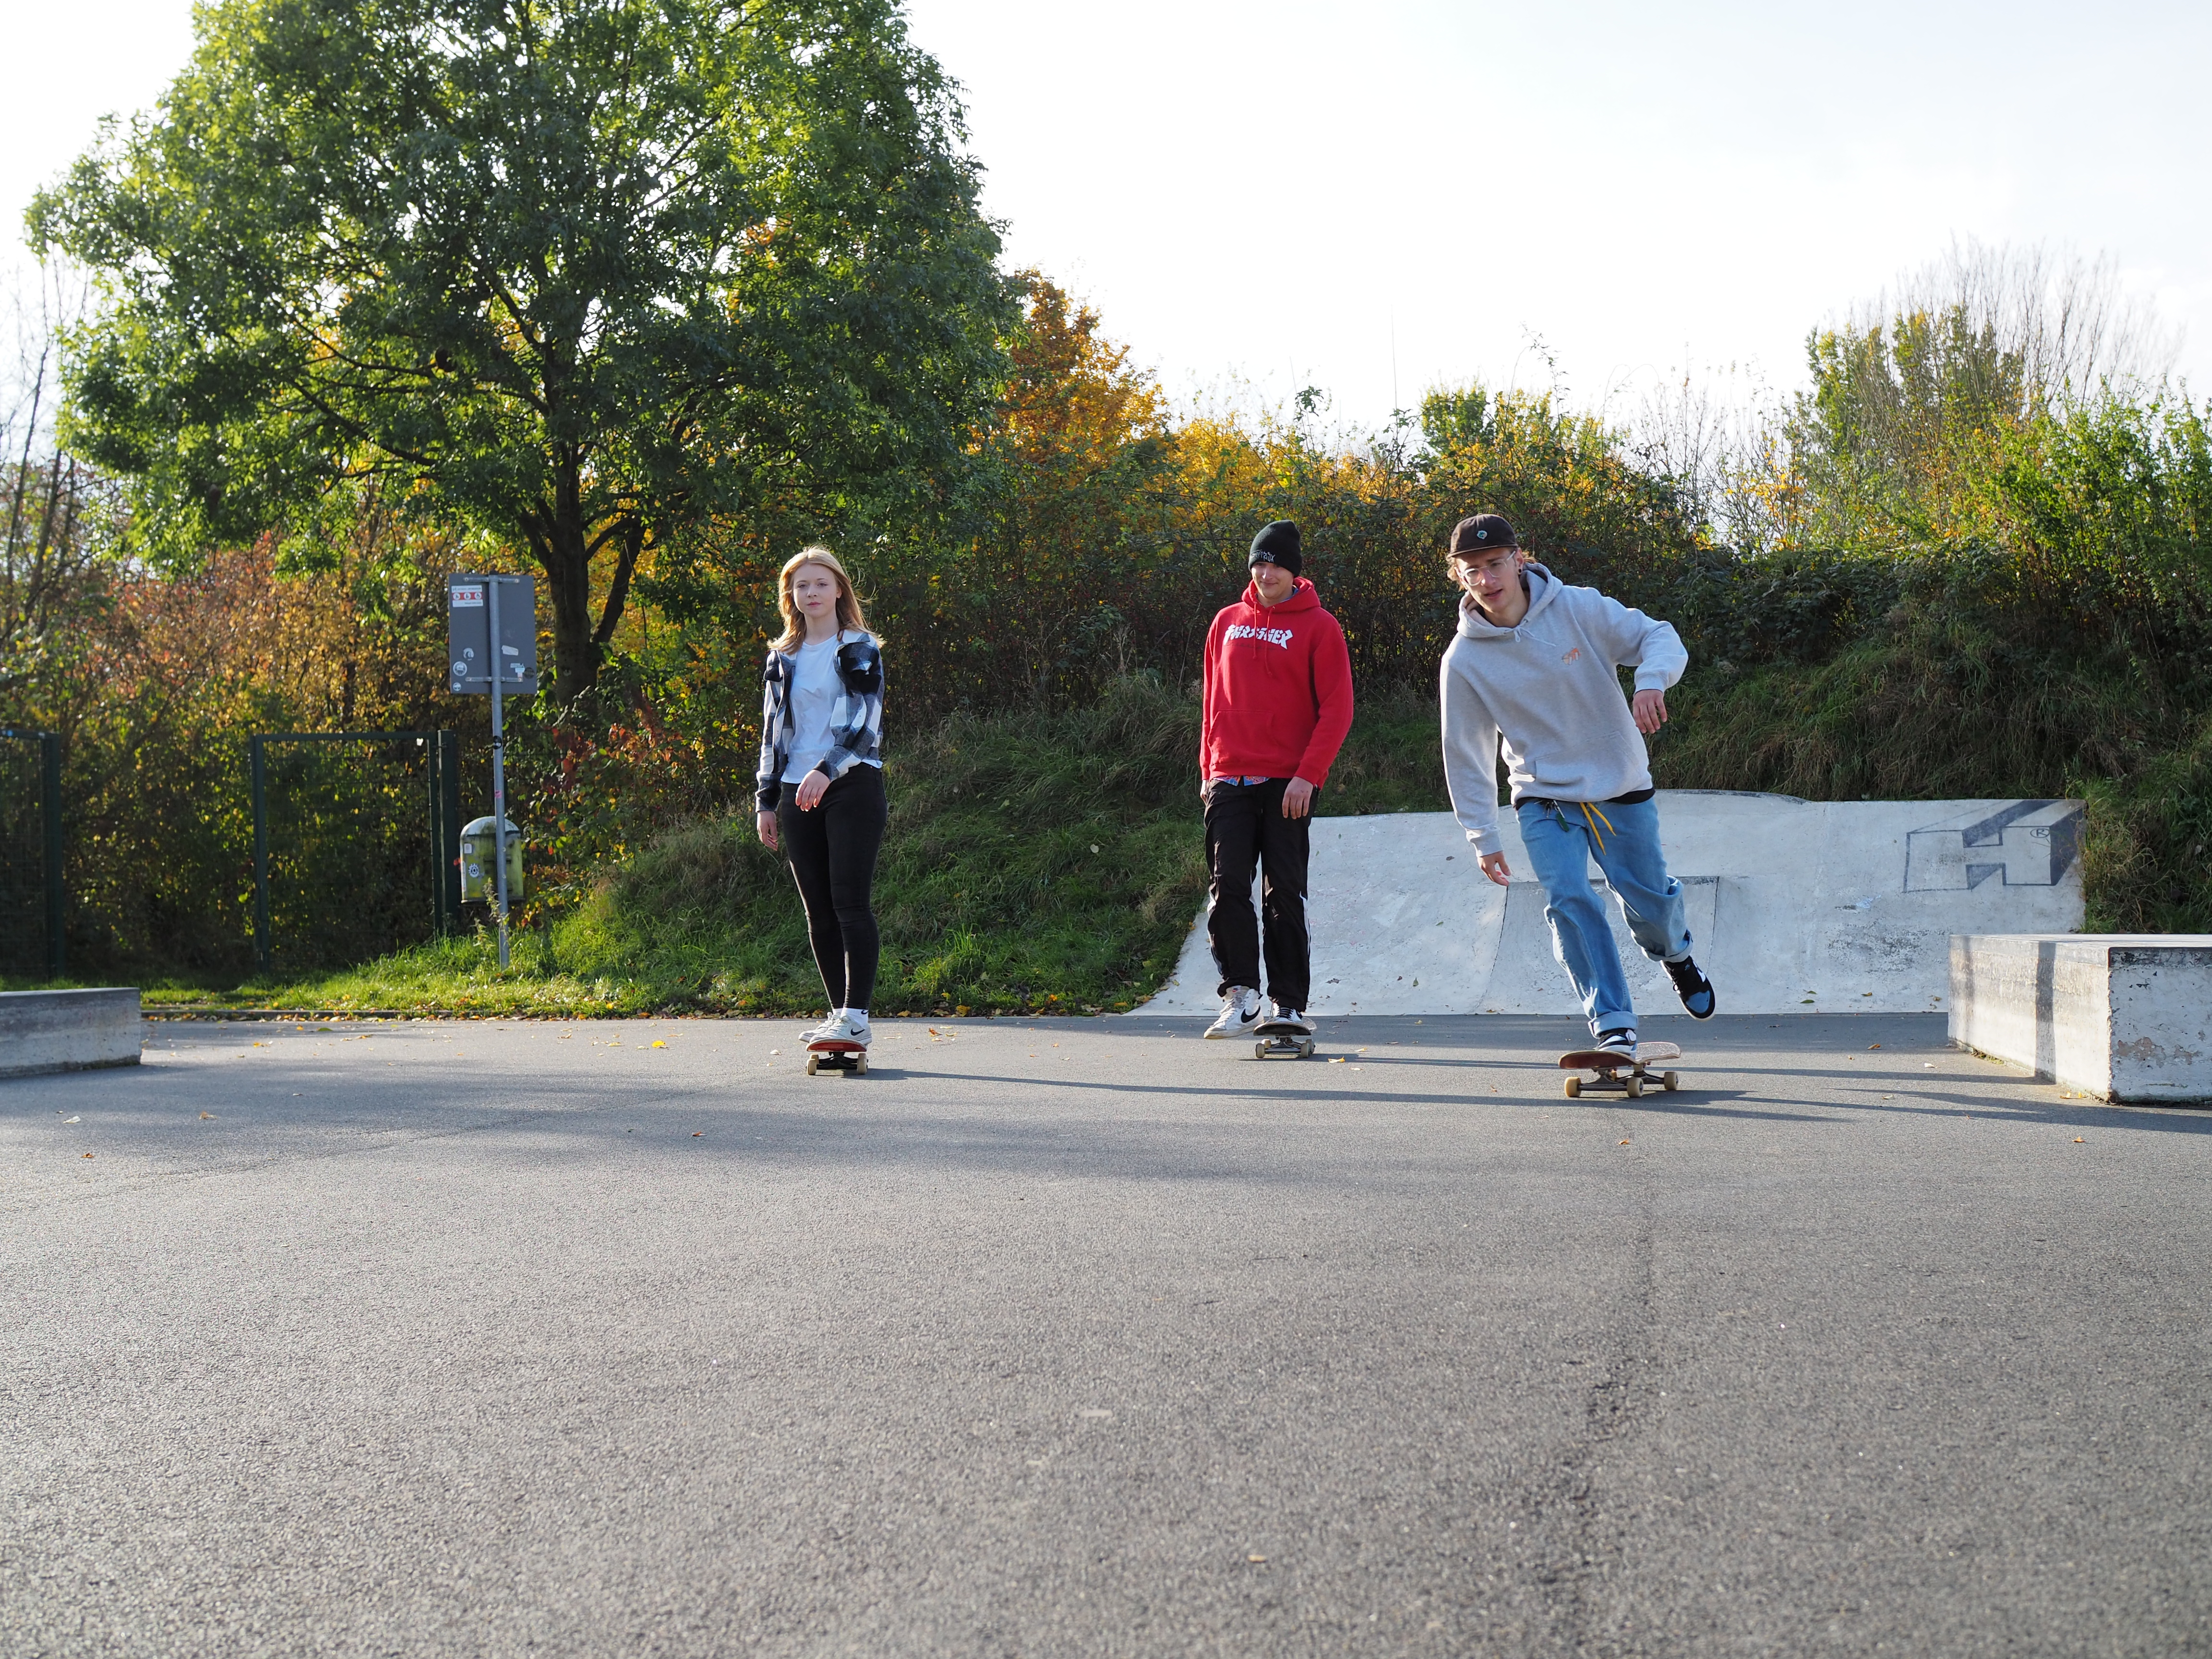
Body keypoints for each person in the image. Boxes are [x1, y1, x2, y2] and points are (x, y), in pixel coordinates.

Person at [1438, 512, 1717, 1056]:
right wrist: (1481, 835)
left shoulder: (1579, 608)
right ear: (1460, 576)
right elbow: (1465, 752)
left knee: (1651, 904)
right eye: (1472, 571)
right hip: (1543, 796)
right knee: (1568, 897)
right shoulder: (1464, 659)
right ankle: (1613, 1021)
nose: (1486, 580)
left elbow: (1657, 636)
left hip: (1618, 783)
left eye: (1495, 564)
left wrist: (1650, 681)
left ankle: (1676, 956)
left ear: (1519, 560)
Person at [1197, 520, 1355, 1039]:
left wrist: (1308, 776)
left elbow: (1337, 709)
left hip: (1288, 782)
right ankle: (1241, 995)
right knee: (1228, 886)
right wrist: (1208, 770)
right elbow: (1212, 704)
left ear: (1294, 572)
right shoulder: (1226, 622)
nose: (1266, 573)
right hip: (1229, 776)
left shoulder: (1319, 627)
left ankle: (1288, 1005)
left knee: (1284, 893)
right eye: (1259, 563)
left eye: (1277, 565)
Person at [754, 547, 887, 1052]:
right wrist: (766, 800)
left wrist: (825, 770)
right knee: (819, 912)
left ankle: (857, 1015)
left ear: (839, 590)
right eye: (801, 585)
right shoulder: (781, 658)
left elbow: (863, 724)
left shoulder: (859, 647)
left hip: (851, 784)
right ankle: (838, 1016)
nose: (811, 593)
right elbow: (771, 734)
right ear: (790, 595)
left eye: (820, 584)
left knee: (850, 902)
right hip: (794, 789)